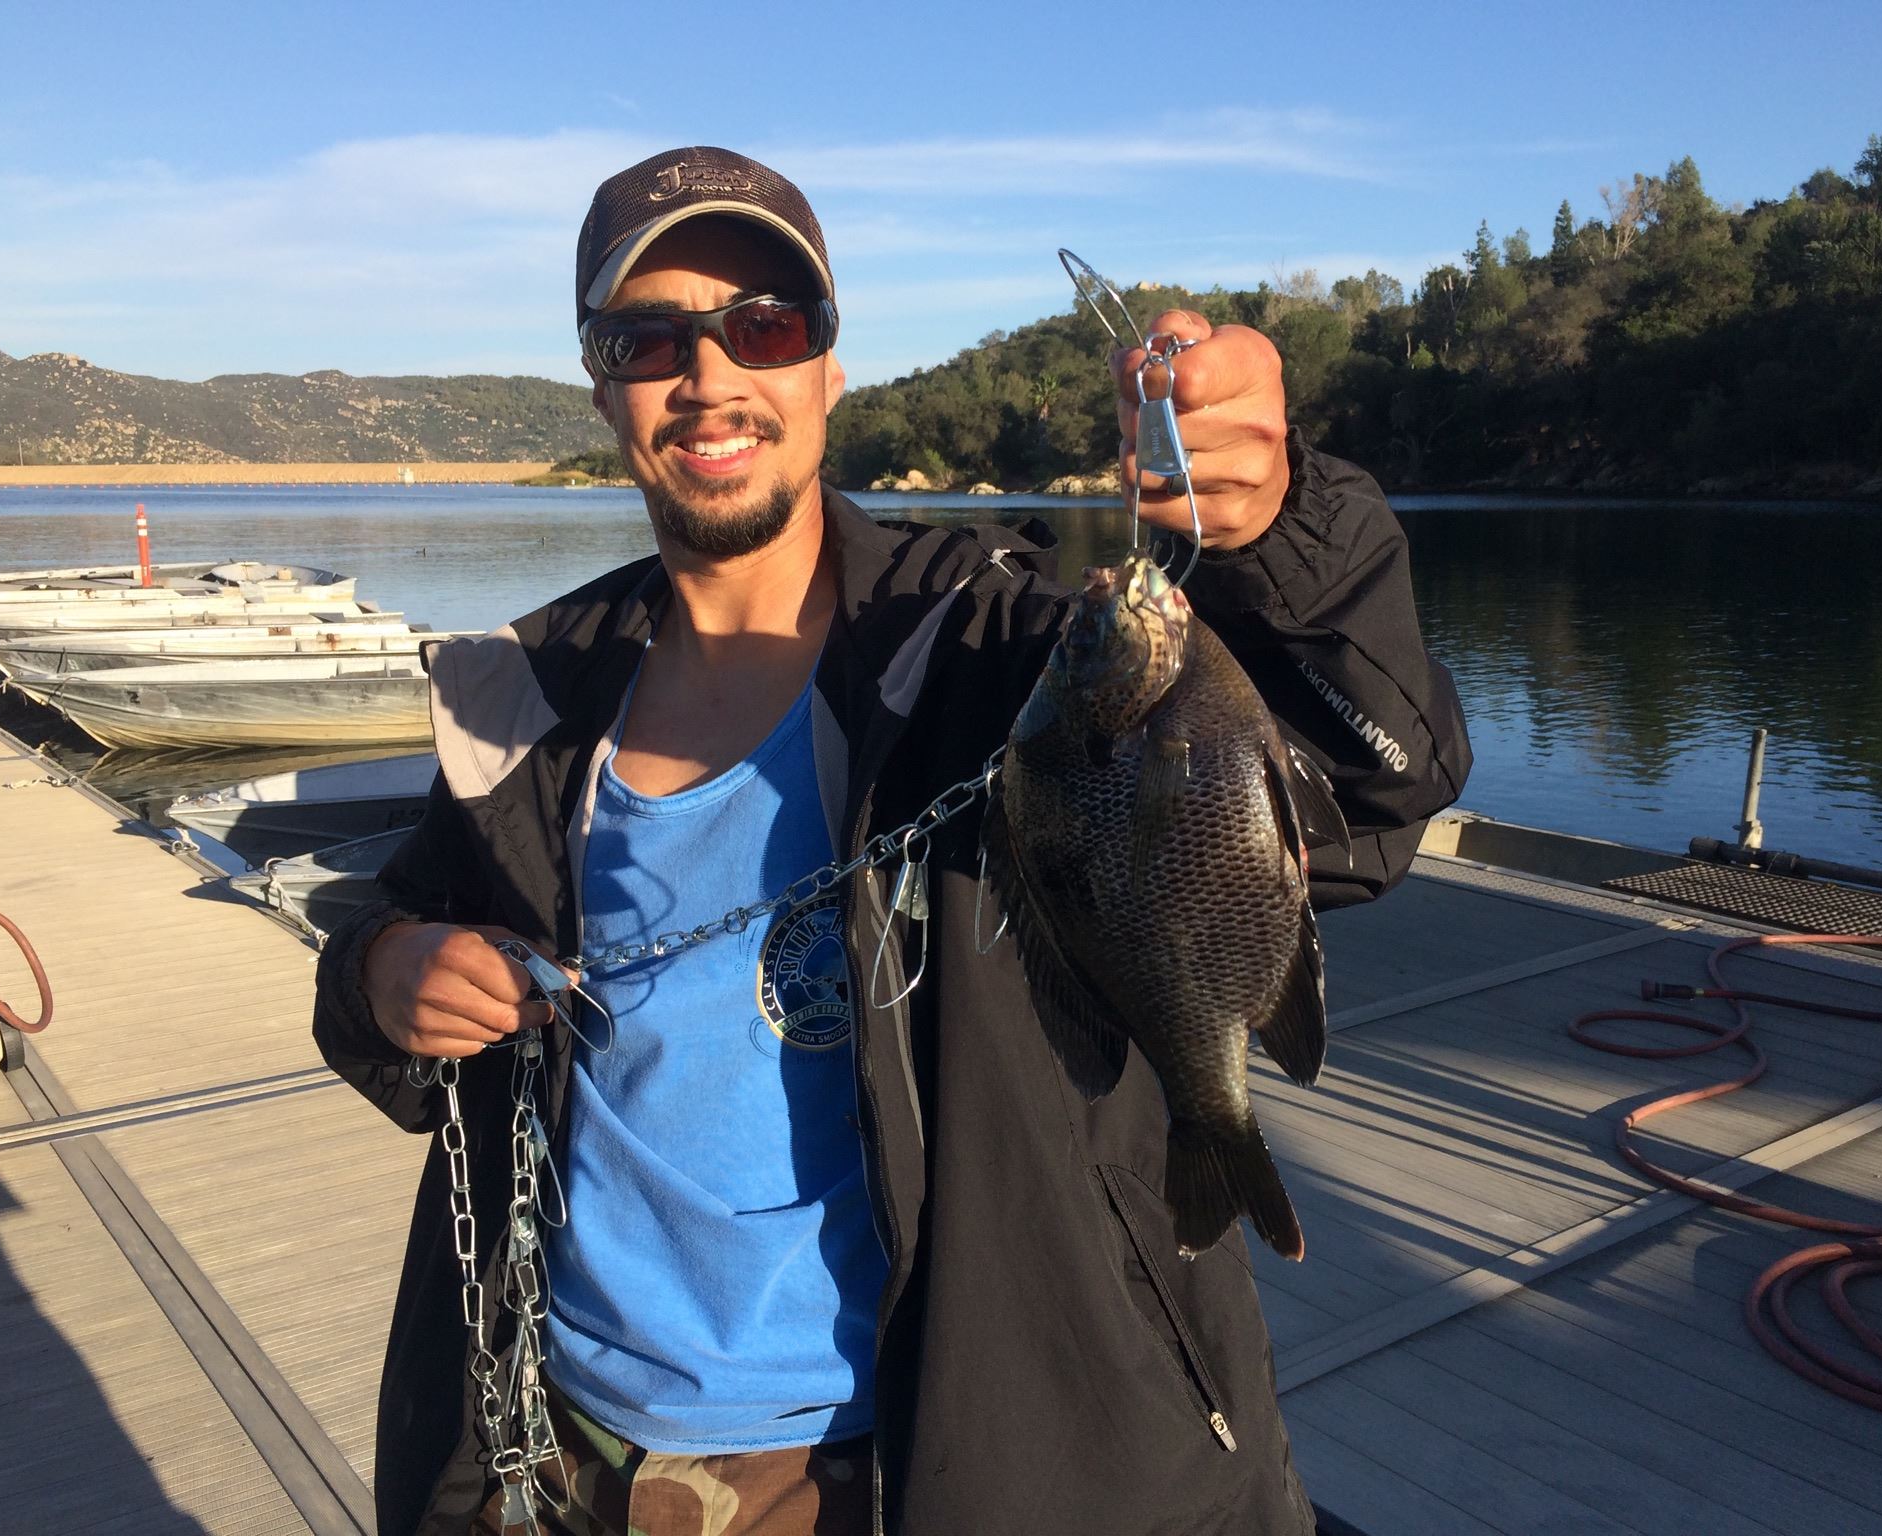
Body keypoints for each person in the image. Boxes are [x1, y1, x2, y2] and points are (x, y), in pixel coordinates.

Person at [313, 145, 1472, 1536]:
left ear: (827, 372)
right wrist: (384, 973)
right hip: (563, 1444)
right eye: (648, 338)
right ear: (601, 381)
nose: (711, 374)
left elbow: (1370, 794)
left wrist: (1283, 531)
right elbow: (393, 940)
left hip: (925, 1457)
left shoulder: (1000, 647)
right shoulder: (536, 693)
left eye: (765, 326)